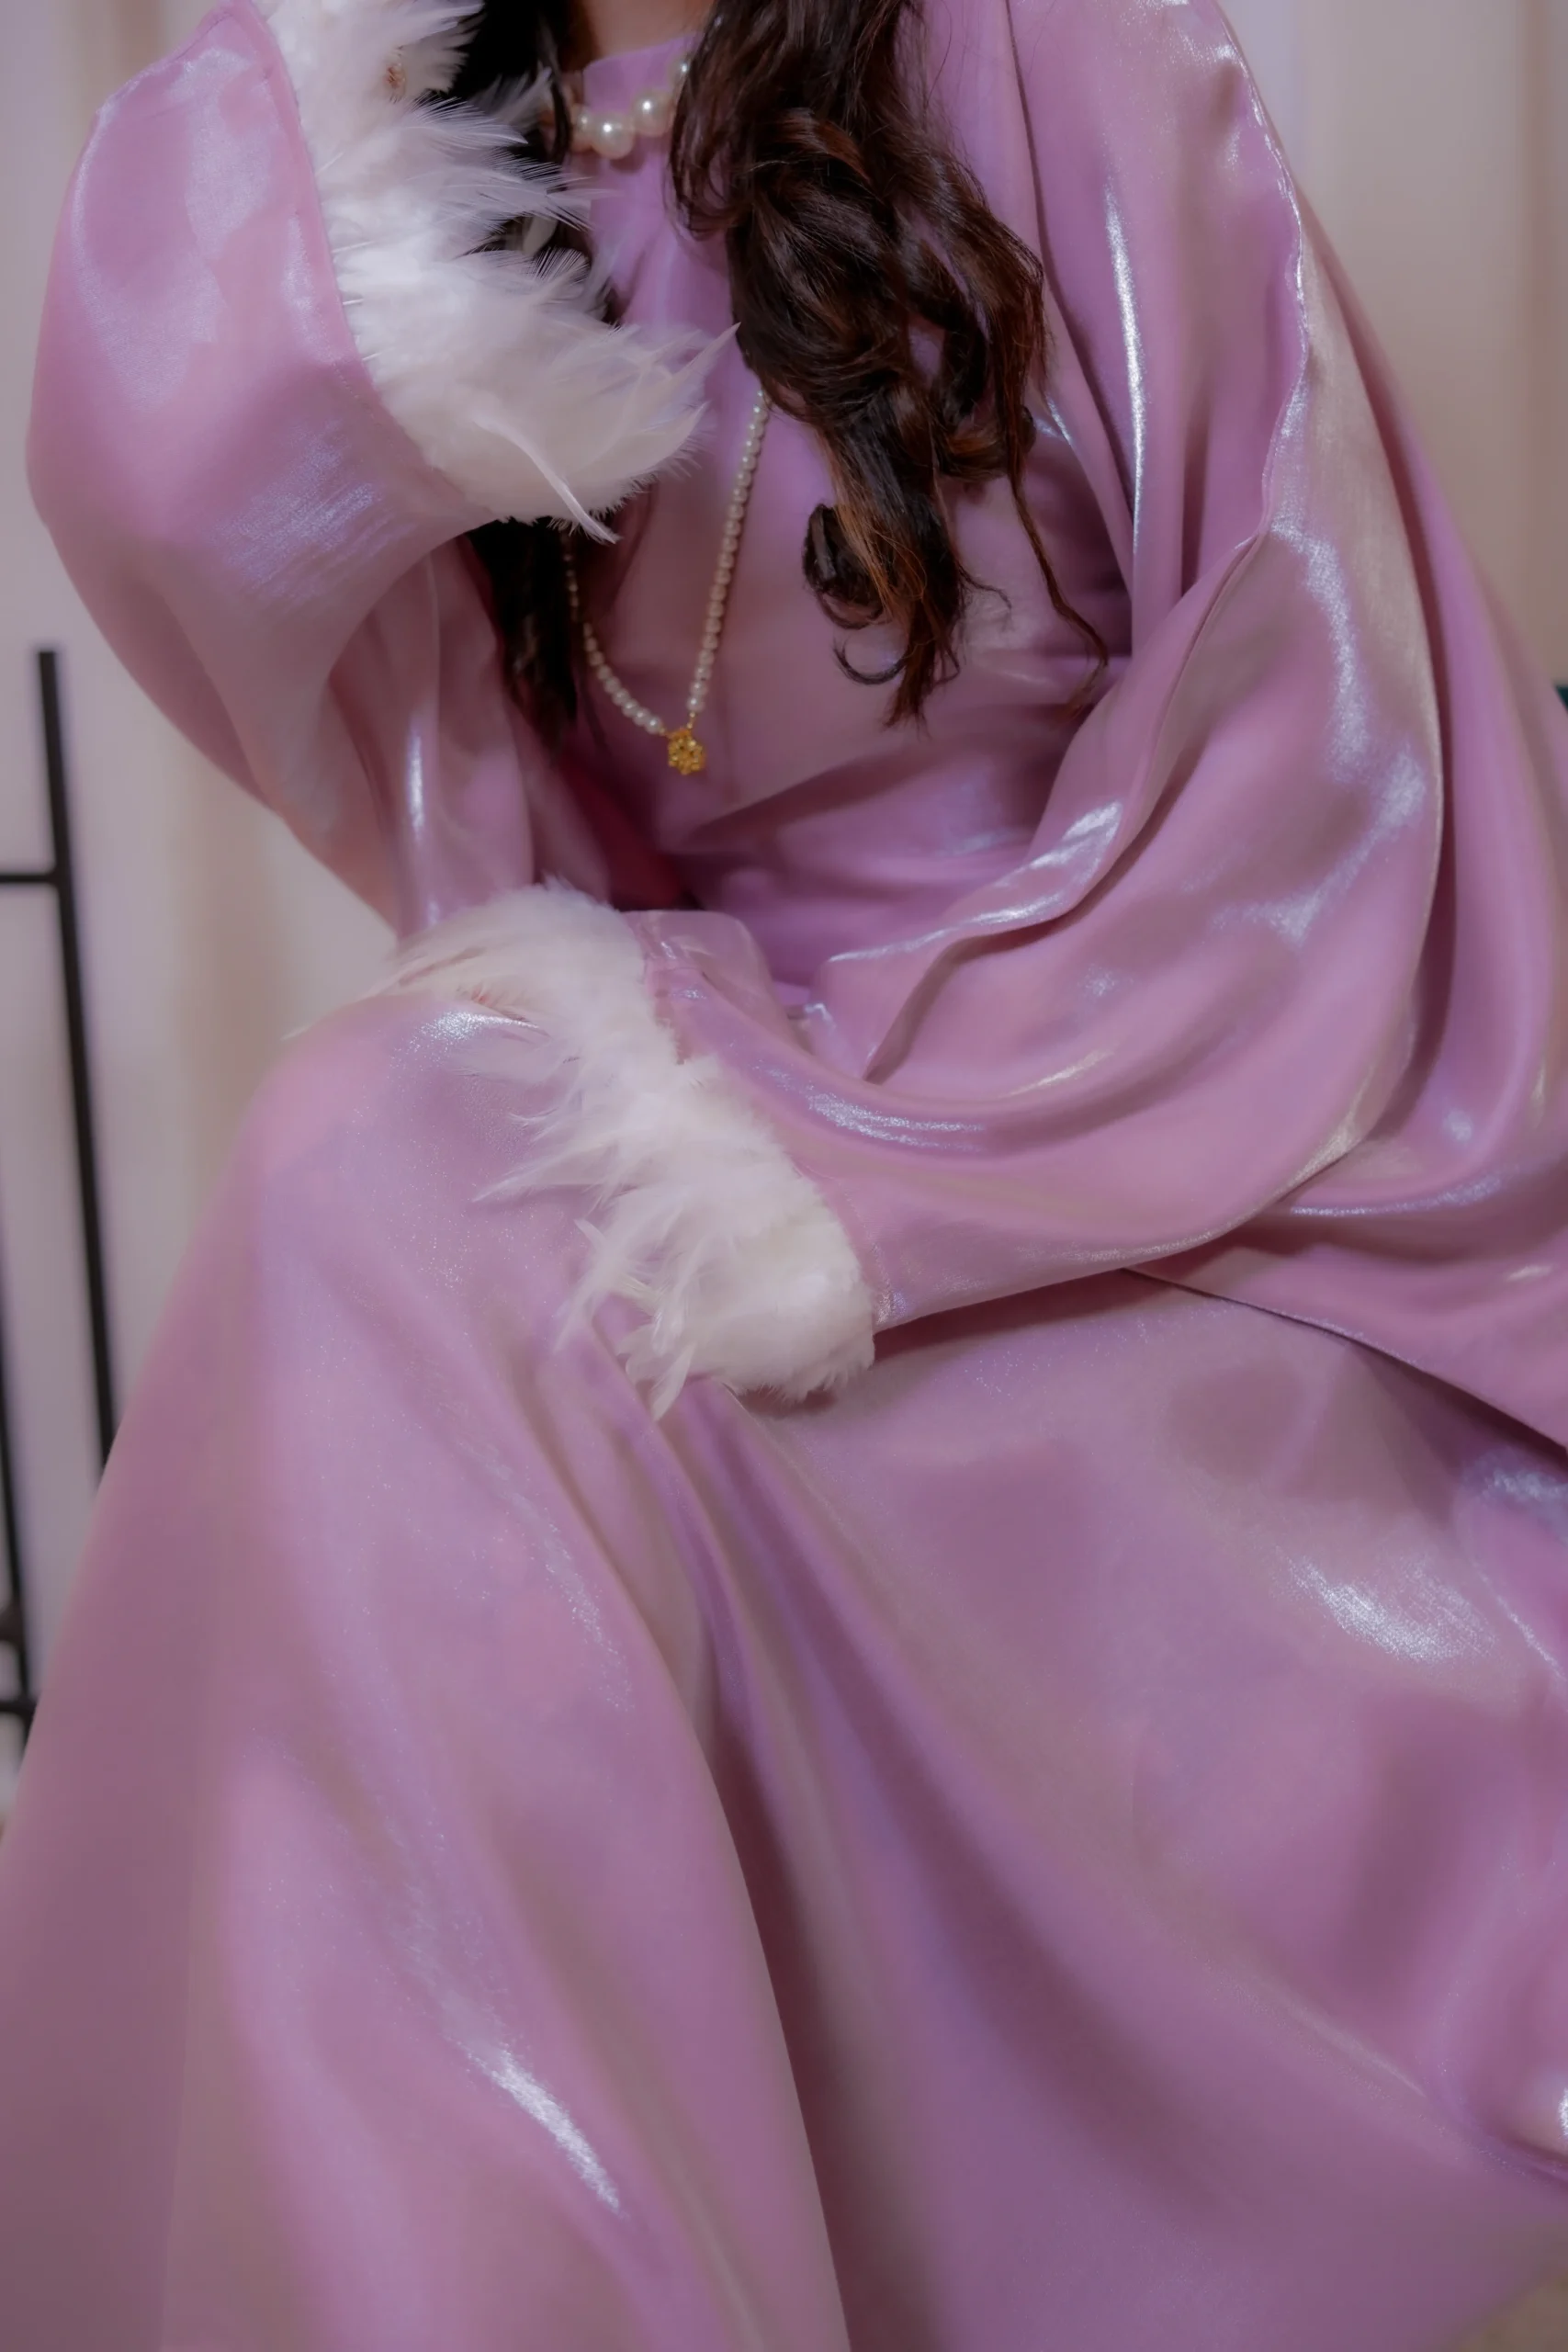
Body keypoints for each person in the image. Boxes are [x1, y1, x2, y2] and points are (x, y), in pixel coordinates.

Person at [3, 0, 1568, 2341]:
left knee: (385, 1175)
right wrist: (342, 137)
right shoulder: (451, 158)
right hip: (707, 1118)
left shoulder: (1055, 48)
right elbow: (167, 437)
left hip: (1194, 1155)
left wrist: (876, 1141)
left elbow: (1327, 764)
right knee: (384, 1183)